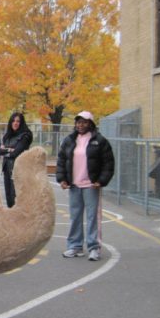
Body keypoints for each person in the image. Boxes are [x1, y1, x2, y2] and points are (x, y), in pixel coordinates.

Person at [56, 111, 115, 261]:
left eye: (84, 122)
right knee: (75, 216)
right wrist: (62, 179)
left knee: (92, 217)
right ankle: (75, 246)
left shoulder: (100, 141)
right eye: (78, 122)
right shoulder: (69, 140)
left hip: (91, 185)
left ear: (90, 124)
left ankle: (94, 248)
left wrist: (101, 181)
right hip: (74, 185)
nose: (80, 125)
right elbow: (62, 160)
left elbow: (108, 163)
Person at [1, 112, 33, 208]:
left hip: (18, 169)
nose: (15, 123)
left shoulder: (25, 135)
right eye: (13, 121)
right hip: (7, 168)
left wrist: (6, 150)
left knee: (16, 198)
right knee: (8, 198)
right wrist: (9, 150)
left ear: (22, 123)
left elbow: (16, 152)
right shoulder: (7, 136)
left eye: (18, 121)